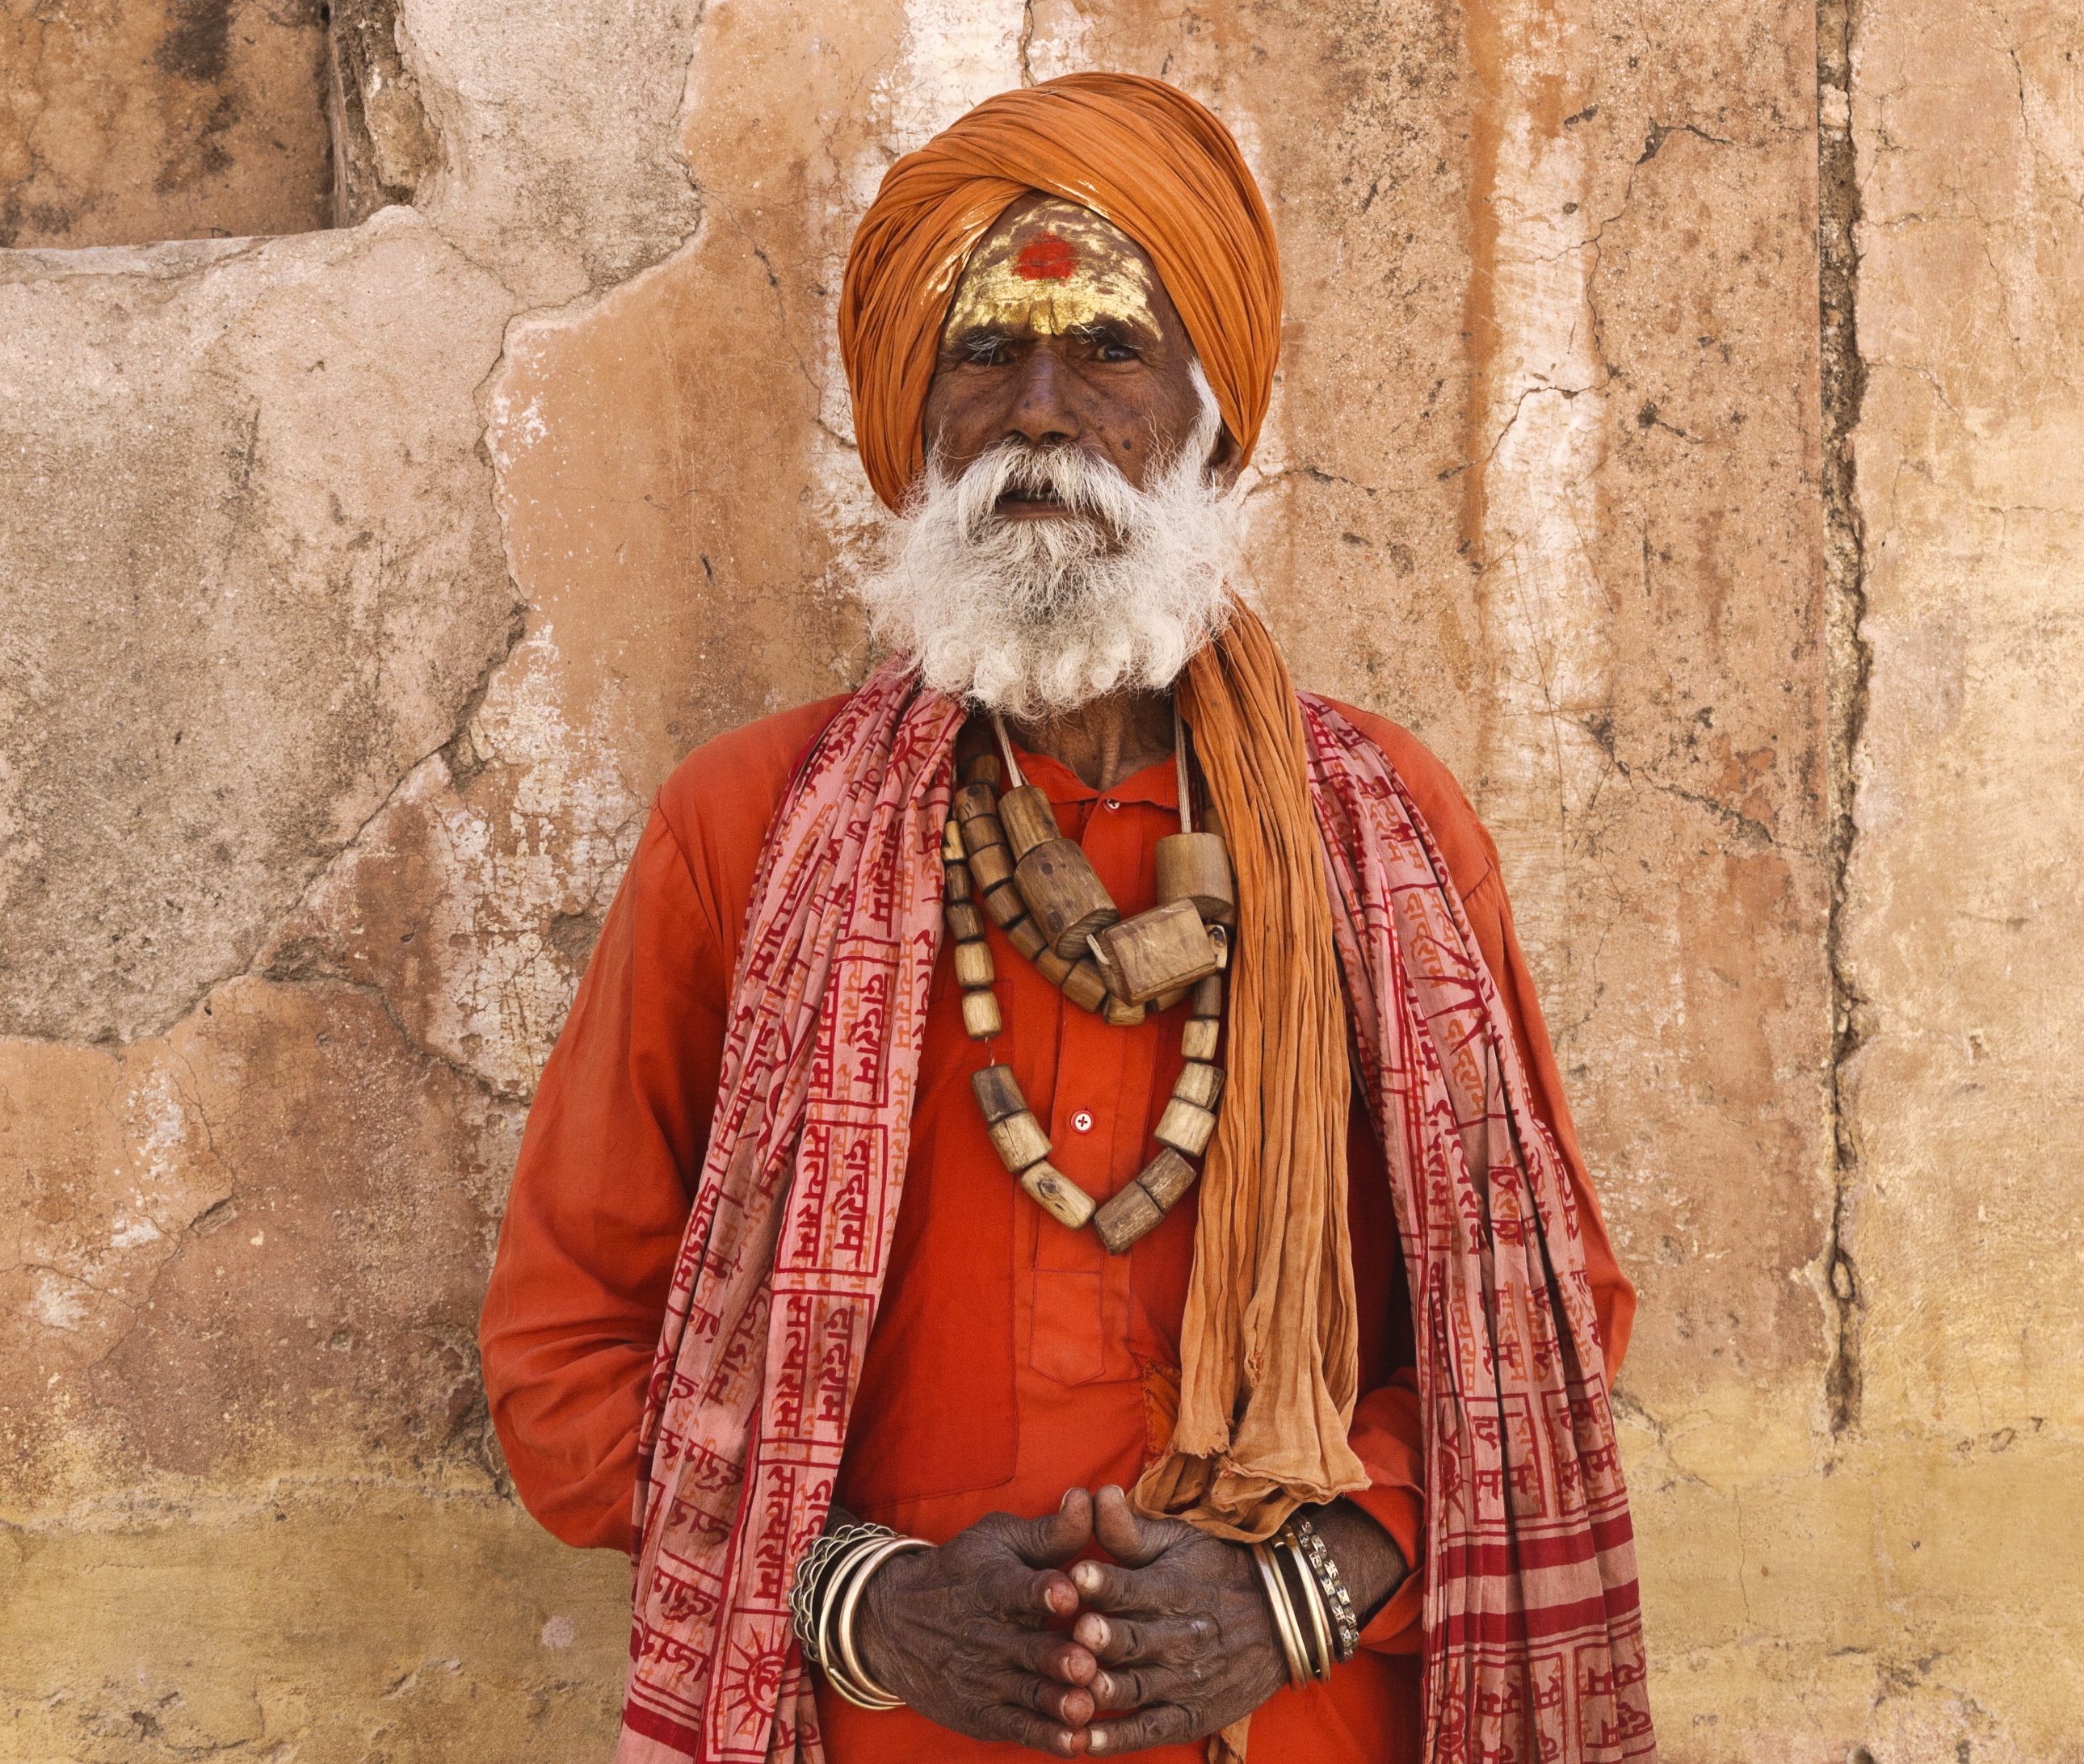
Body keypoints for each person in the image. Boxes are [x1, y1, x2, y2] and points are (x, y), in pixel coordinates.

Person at [480, 71, 1650, 1764]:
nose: (1041, 412)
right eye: (982, 357)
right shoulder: (742, 831)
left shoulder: (1380, 833)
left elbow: (1539, 1325)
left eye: (1107, 351)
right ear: (917, 428)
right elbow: (562, 1359)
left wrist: (1297, 1597)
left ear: (1210, 423)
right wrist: (868, 1606)